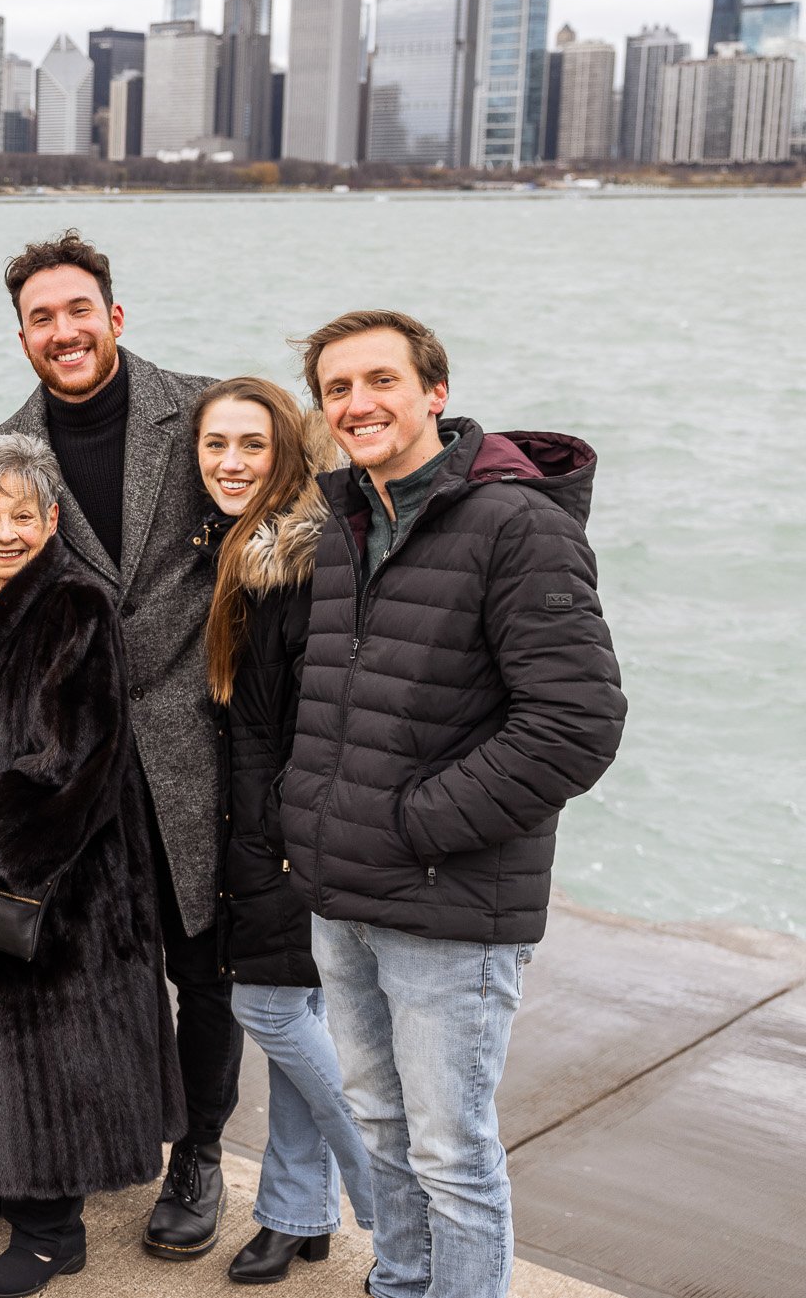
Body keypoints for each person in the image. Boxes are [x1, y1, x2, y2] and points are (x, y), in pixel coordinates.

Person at [283, 312, 623, 1298]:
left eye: (381, 379)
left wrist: (415, 823)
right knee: (380, 1126)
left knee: (451, 1150)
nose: (359, 403)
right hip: (344, 892)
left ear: (434, 390)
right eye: (338, 387)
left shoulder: (518, 525)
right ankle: (399, 1281)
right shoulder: (345, 519)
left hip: (448, 902)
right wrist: (308, 818)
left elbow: (576, 723)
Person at [0, 433, 184, 1298]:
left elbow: (74, 753)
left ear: (52, 519)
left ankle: (53, 1230)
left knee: (49, 1043)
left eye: (22, 515)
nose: (3, 531)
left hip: (62, 874)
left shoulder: (75, 606)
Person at [0, 231, 235, 1255]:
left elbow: (295, 521)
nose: (64, 330)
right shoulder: (8, 449)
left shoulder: (207, 412)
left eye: (77, 309)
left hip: (195, 749)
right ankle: (89, 1153)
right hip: (81, 762)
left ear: (114, 316)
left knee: (205, 970)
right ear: (23, 337)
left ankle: (201, 1153)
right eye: (42, 318)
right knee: (87, 973)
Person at [189, 377, 375, 1282]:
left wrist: (291, 832)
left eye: (251, 445)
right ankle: (297, 1211)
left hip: (291, 830)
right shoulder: (240, 554)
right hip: (263, 823)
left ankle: (395, 1200)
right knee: (297, 1009)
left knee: (266, 1006)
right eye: (214, 445)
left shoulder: (299, 565)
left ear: (287, 454)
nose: (230, 462)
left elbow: (315, 721)